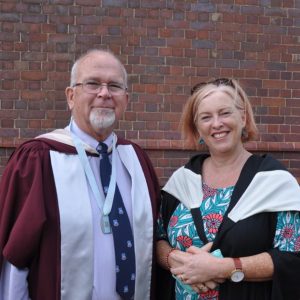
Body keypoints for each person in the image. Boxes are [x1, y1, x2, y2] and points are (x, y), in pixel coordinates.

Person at [0, 48, 160, 300]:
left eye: (115, 86)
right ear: (71, 96)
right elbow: (15, 256)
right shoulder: (38, 159)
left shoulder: (136, 160)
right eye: (93, 83)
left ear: (126, 99)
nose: (104, 93)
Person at [156, 78, 300, 300]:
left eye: (225, 113)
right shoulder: (182, 181)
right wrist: (175, 259)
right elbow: (157, 238)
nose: (216, 124)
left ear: (243, 118)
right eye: (206, 117)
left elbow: (292, 257)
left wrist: (222, 268)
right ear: (197, 128)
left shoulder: (275, 182)